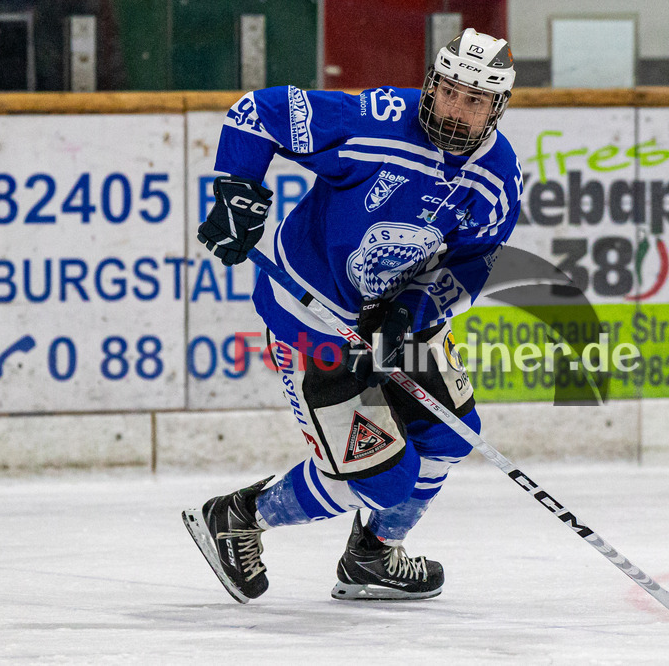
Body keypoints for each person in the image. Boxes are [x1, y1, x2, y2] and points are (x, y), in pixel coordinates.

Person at [183, 29, 521, 602]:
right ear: (431, 84)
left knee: (451, 434)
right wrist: (237, 192)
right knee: (387, 479)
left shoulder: (498, 177)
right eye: (448, 90)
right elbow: (256, 113)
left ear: (497, 108)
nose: (454, 108)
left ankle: (373, 556)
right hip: (315, 325)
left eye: (474, 100)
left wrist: (410, 312)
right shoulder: (378, 120)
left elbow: (471, 265)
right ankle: (238, 516)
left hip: (399, 320)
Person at [0, 0, 126, 91]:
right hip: (31, 113)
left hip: (90, 110)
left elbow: (110, 65)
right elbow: (7, 85)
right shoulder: (13, 1)